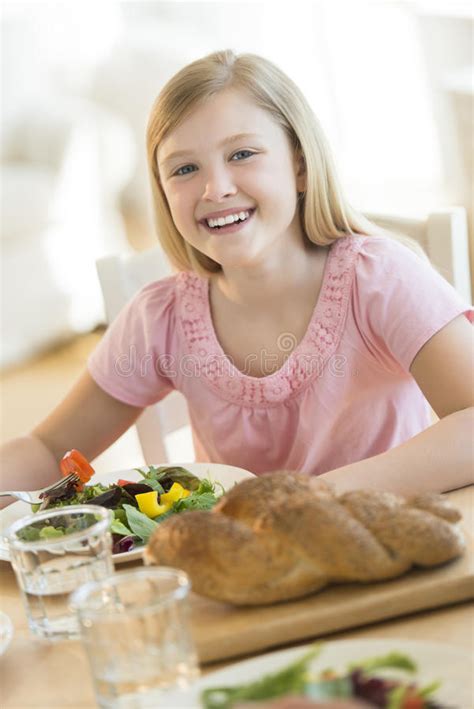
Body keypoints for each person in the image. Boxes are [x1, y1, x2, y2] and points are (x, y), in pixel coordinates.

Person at [1, 49, 473, 507]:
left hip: (388, 547)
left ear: (300, 166)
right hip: (241, 575)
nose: (216, 188)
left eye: (242, 154)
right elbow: (48, 450)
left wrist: (311, 499)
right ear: (163, 193)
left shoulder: (379, 278)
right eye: (184, 168)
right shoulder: (160, 319)